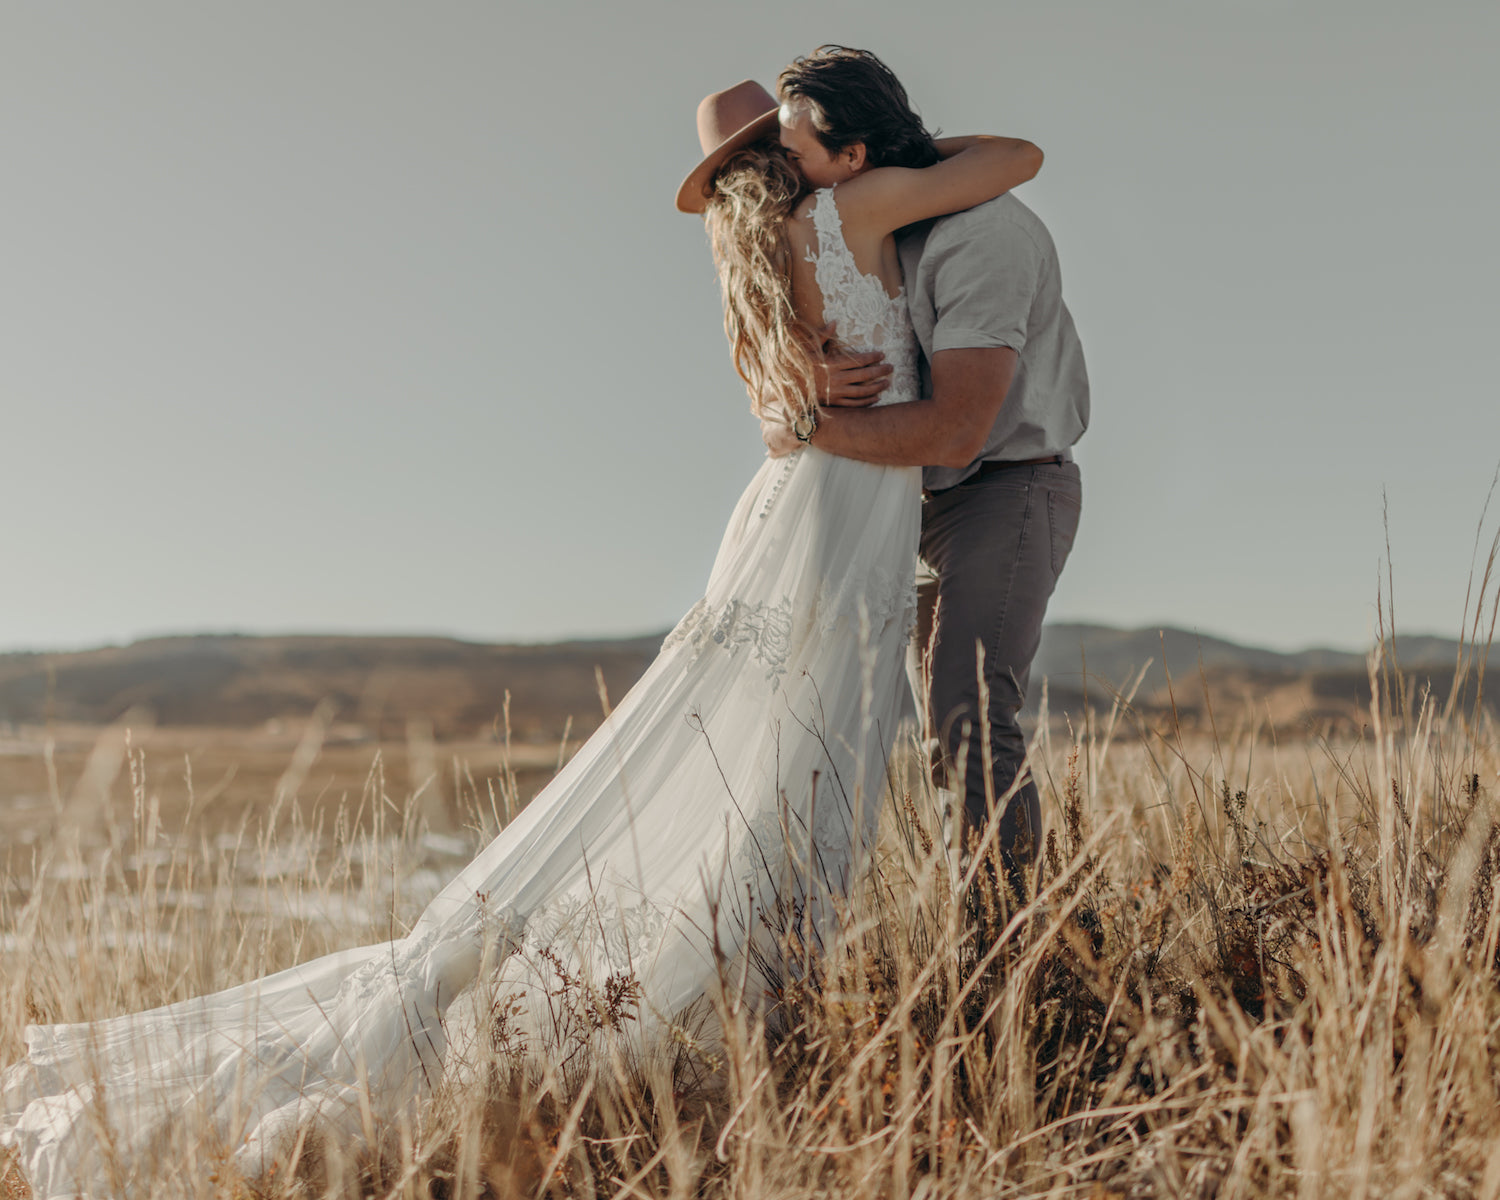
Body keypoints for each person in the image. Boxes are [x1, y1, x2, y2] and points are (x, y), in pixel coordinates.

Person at [0, 71, 1042, 1198]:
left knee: (770, 737)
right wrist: (910, 146)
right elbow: (1017, 158)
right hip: (844, 505)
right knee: (810, 741)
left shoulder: (757, 247)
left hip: (809, 496)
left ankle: (741, 973)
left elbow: (785, 405)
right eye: (795, 137)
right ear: (806, 153)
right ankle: (741, 985)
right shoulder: (853, 202)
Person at [763, 48, 1089, 894]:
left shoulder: (985, 236)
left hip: (1003, 487)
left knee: (970, 714)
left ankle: (1010, 948)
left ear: (855, 157)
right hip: (907, 503)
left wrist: (810, 428)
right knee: (933, 734)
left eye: (793, 153)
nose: (782, 173)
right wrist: (795, 401)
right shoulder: (869, 228)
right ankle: (970, 930)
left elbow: (954, 429)